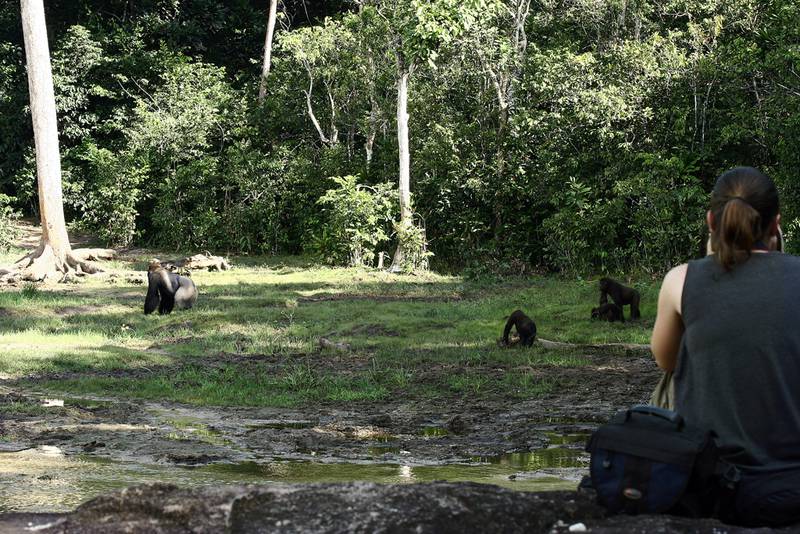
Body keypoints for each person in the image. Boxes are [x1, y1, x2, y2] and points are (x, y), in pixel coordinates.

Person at [651, 166, 800, 525]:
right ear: (776, 222)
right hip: (791, 483)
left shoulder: (681, 279)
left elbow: (665, 360)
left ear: (710, 221)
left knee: (674, 372)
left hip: (715, 487)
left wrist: (709, 260)